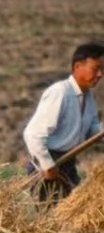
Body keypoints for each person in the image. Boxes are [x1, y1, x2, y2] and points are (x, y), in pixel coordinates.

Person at [23, 43, 104, 204]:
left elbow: (93, 130)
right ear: (77, 67)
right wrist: (48, 166)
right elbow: (32, 134)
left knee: (75, 213)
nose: (100, 74)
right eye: (96, 69)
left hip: (67, 163)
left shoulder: (87, 97)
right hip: (48, 164)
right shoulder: (60, 92)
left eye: (102, 70)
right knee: (51, 221)